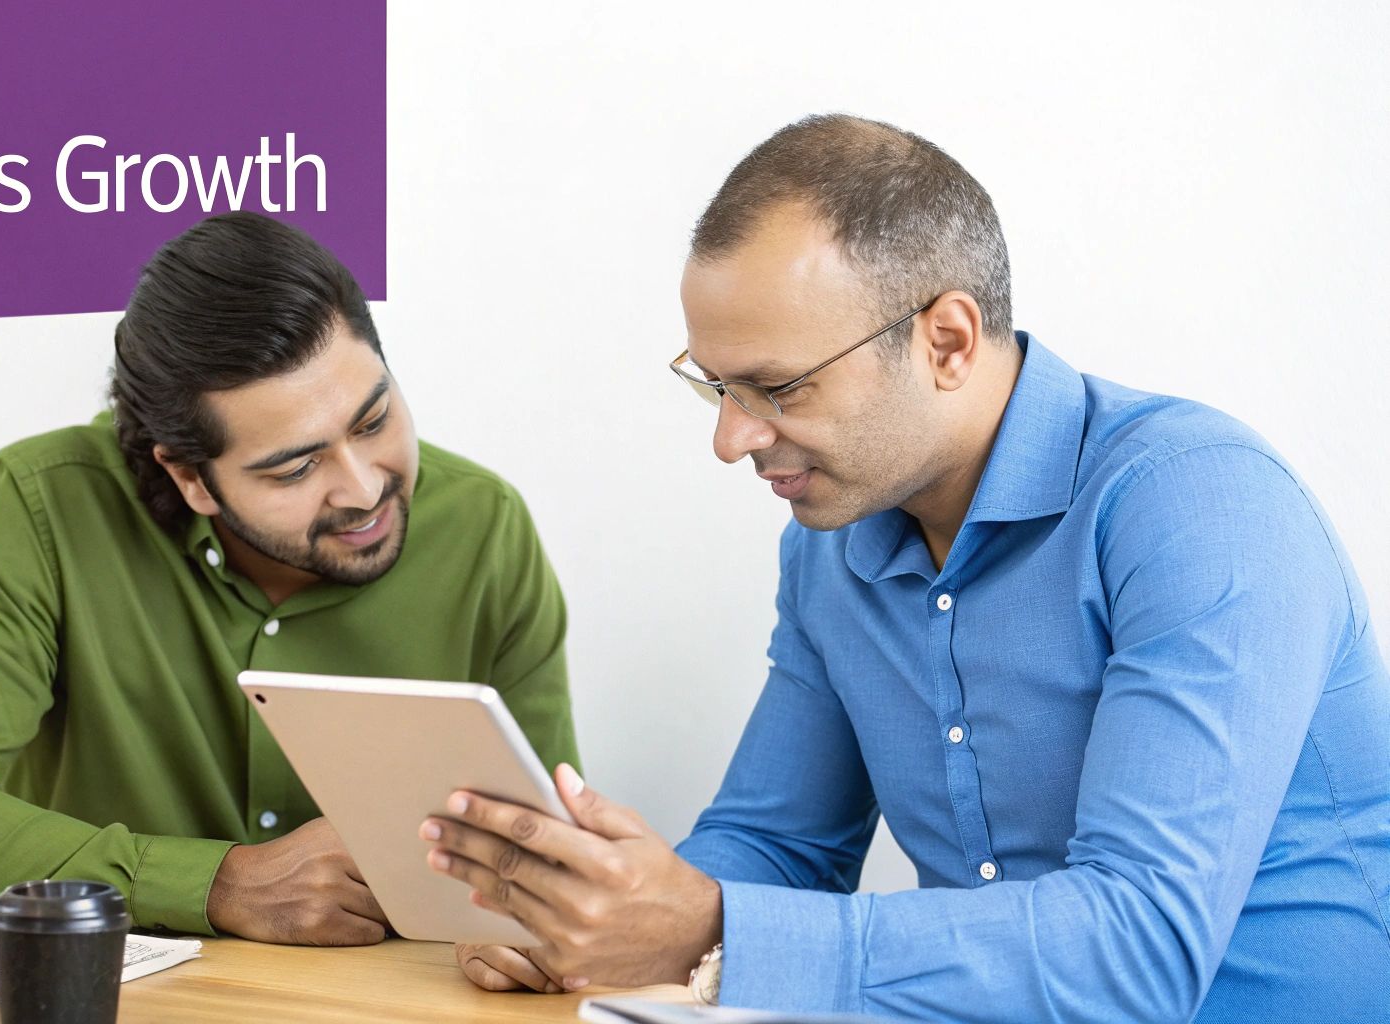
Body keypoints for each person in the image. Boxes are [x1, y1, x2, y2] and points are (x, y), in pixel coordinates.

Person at [429, 115, 1389, 1022]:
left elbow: (1138, 951)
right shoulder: (829, 547)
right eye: (716, 386)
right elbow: (779, 845)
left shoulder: (1200, 506)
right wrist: (595, 917)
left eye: (779, 386)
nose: (731, 439)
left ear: (948, 342)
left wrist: (710, 932)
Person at [0, 212, 578, 946]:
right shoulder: (43, 506)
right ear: (191, 479)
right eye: (296, 466)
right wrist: (217, 883)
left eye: (374, 421)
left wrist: (526, 925)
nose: (361, 488)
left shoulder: (484, 529)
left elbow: (547, 859)